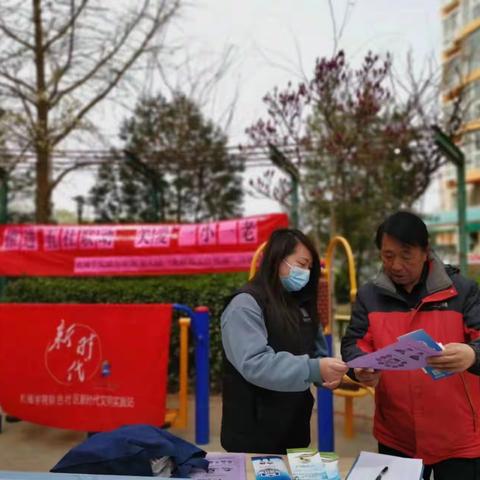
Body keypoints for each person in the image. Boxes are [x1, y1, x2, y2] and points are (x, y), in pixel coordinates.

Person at [341, 211, 480, 480]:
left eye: (406, 255)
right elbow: (353, 344)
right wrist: (360, 368)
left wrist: (472, 355)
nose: (396, 265)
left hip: (459, 437)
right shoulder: (369, 297)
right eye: (388, 255)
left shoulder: (462, 291)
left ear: (426, 251)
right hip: (396, 434)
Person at [220, 228, 348, 454]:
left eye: (309, 267)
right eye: (301, 264)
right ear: (278, 259)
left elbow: (316, 354)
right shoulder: (245, 304)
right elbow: (255, 363)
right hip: (251, 435)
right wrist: (314, 368)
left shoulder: (302, 305)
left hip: (295, 430)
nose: (306, 272)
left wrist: (331, 373)